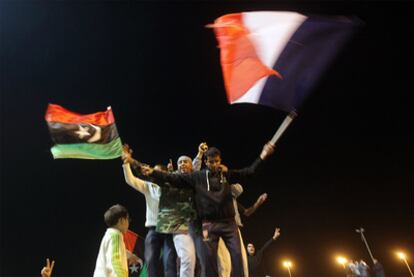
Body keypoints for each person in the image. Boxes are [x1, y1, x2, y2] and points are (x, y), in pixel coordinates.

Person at [140, 142, 275, 277]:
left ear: (220, 161)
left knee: (237, 256)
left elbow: (248, 172)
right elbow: (174, 178)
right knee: (207, 261)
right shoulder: (197, 177)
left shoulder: (226, 175)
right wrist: (153, 172)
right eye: (211, 162)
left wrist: (262, 156)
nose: (214, 165)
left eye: (216, 161)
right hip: (208, 225)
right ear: (206, 162)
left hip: (228, 224)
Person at [122, 146, 177, 277]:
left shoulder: (173, 187)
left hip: (169, 230)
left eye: (156, 172)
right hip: (153, 229)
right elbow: (131, 180)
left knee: (170, 261)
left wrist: (173, 173)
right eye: (153, 171)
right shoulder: (149, 187)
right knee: (151, 260)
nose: (153, 174)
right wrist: (126, 163)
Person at [93, 204, 131, 277]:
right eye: (128, 219)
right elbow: (115, 260)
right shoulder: (116, 236)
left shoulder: (109, 235)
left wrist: (129, 255)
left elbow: (114, 252)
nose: (128, 223)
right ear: (121, 220)